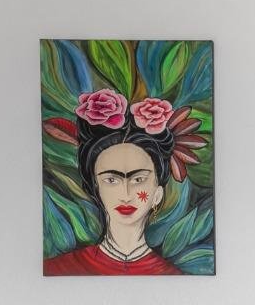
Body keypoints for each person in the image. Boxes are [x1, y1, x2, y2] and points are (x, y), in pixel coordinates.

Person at [45, 99, 184, 276]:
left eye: (138, 179)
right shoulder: (58, 269)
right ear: (95, 189)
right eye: (111, 180)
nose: (125, 194)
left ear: (157, 194)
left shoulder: (172, 276)